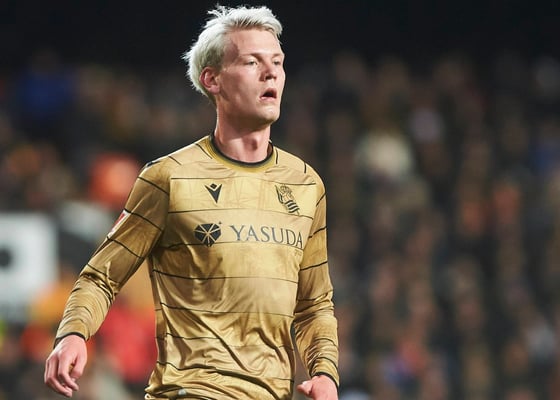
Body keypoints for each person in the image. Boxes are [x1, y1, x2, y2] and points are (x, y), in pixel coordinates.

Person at [44, 5, 339, 400]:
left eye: (277, 62)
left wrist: (325, 373)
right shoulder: (169, 177)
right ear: (212, 79)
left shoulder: (305, 184)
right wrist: (73, 334)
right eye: (252, 62)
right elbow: (103, 276)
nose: (270, 73)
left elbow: (314, 304)